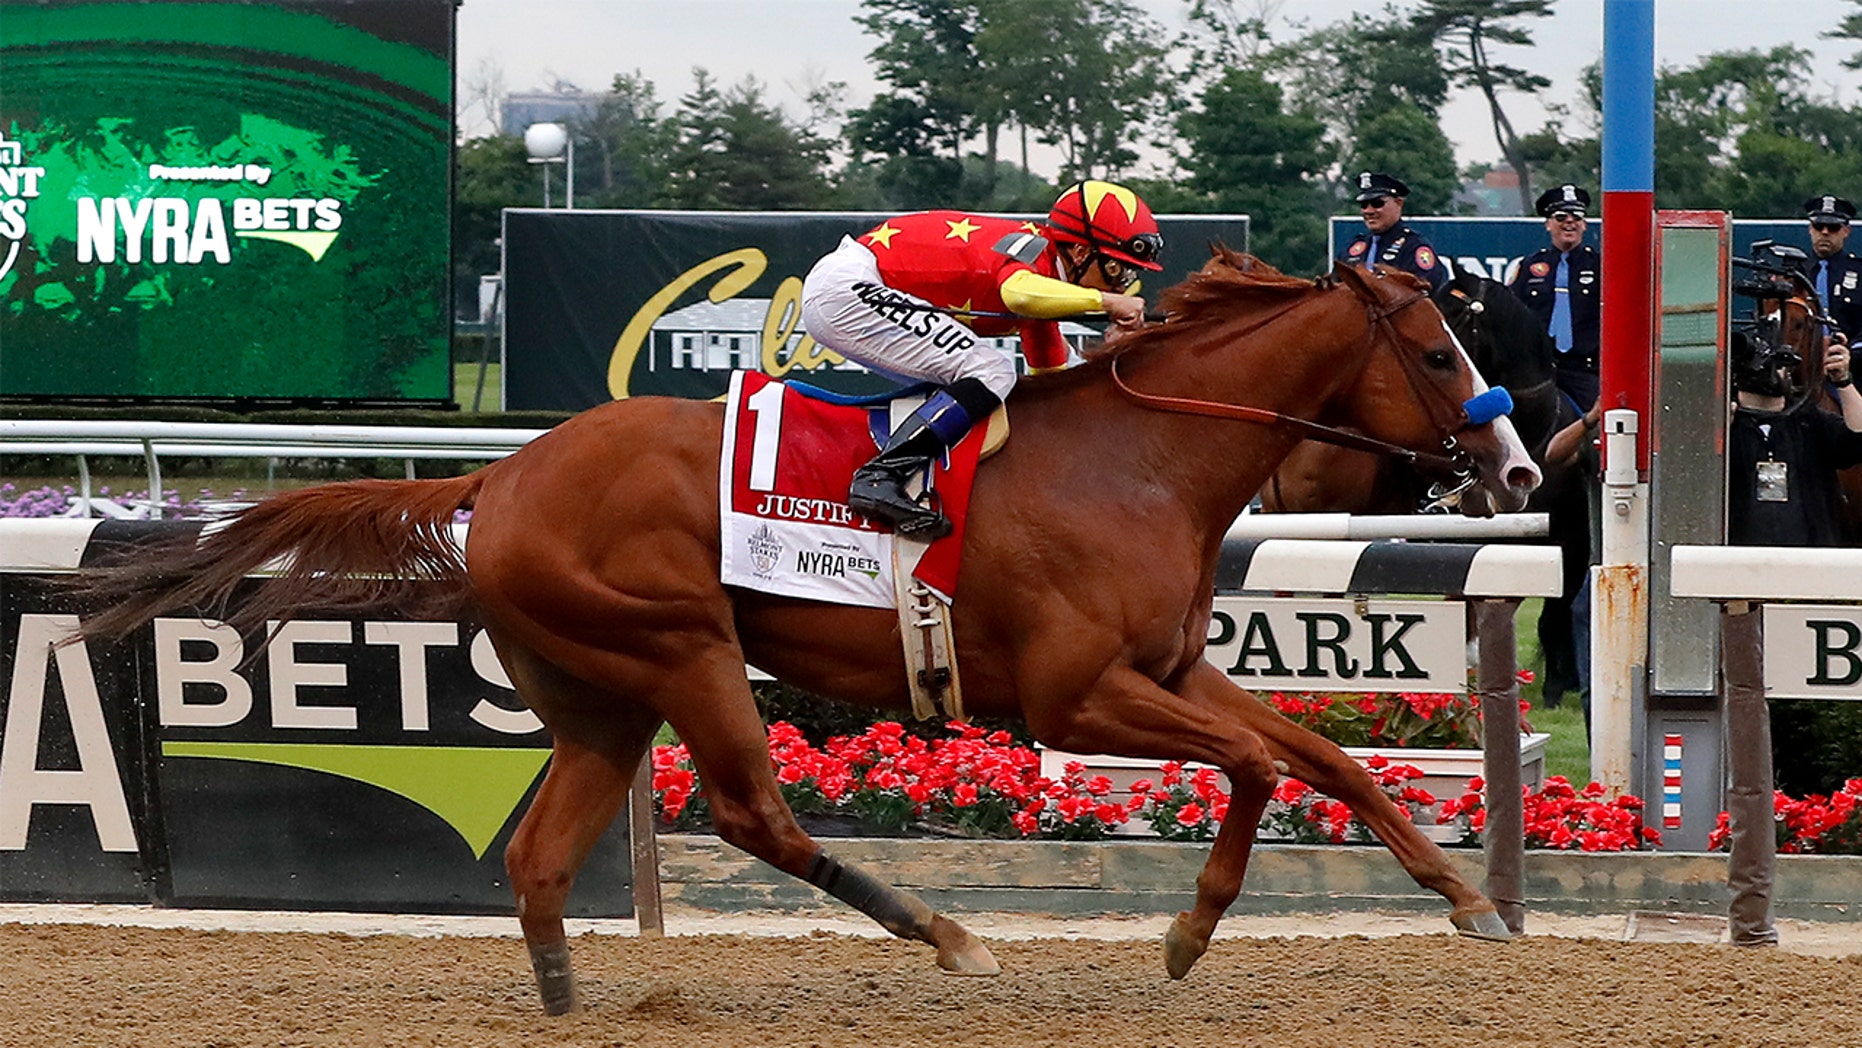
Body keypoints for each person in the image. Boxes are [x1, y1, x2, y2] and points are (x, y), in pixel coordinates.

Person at [800, 180, 1158, 538]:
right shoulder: (1033, 257)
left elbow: (1053, 385)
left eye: (1130, 275)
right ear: (1080, 253)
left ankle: (922, 480)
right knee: (990, 370)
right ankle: (878, 478)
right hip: (850, 288)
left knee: (984, 381)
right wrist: (1106, 304)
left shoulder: (1045, 279)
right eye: (1117, 270)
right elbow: (1018, 295)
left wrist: (1115, 355)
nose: (1123, 286)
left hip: (857, 286)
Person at [1727, 327, 1862, 546]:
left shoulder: (1810, 422)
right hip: (1738, 562)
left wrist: (1844, 381)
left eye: (1777, 363)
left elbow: (1858, 439)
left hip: (1810, 560)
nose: (1767, 370)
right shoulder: (1724, 426)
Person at [1509, 183, 1601, 412]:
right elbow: (1512, 314)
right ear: (1548, 224)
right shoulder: (1529, 267)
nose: (1569, 222)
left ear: (1585, 224)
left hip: (1584, 370)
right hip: (1538, 369)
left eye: (1576, 217)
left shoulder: (1602, 266)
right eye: (1560, 217)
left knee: (1596, 429)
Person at [1337, 171, 1448, 293]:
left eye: (1377, 203)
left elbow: (1425, 293)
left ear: (1398, 203)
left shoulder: (1412, 247)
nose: (1368, 211)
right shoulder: (1353, 249)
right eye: (1364, 205)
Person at [1792, 194, 1862, 341]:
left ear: (1846, 231)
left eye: (1833, 227)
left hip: (1847, 355)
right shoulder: (1794, 272)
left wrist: (1851, 355)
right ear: (1810, 229)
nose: (1825, 232)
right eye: (1819, 226)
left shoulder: (1859, 272)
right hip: (1800, 356)